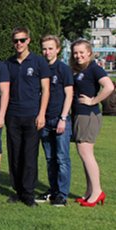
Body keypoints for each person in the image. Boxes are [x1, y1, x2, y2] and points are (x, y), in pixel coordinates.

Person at [5, 27, 50, 207]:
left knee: (30, 156)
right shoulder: (9, 63)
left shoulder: (39, 62)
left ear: (29, 40)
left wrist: (41, 114)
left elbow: (46, 90)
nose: (19, 44)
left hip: (32, 115)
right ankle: (17, 191)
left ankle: (28, 193)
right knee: (15, 155)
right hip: (13, 115)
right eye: (16, 41)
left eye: (22, 40)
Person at [70, 39, 114, 207]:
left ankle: (97, 192)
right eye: (75, 53)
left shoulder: (94, 68)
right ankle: (90, 192)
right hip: (80, 115)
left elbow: (109, 87)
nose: (78, 55)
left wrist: (93, 101)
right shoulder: (82, 69)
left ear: (89, 52)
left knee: (86, 154)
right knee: (84, 154)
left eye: (82, 52)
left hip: (88, 115)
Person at [35, 35, 74, 206]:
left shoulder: (63, 69)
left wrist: (63, 118)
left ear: (58, 49)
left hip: (59, 119)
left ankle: (62, 194)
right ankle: (53, 190)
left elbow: (69, 95)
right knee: (50, 158)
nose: (47, 52)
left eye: (50, 48)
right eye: (44, 48)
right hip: (45, 119)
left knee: (62, 158)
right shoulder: (40, 68)